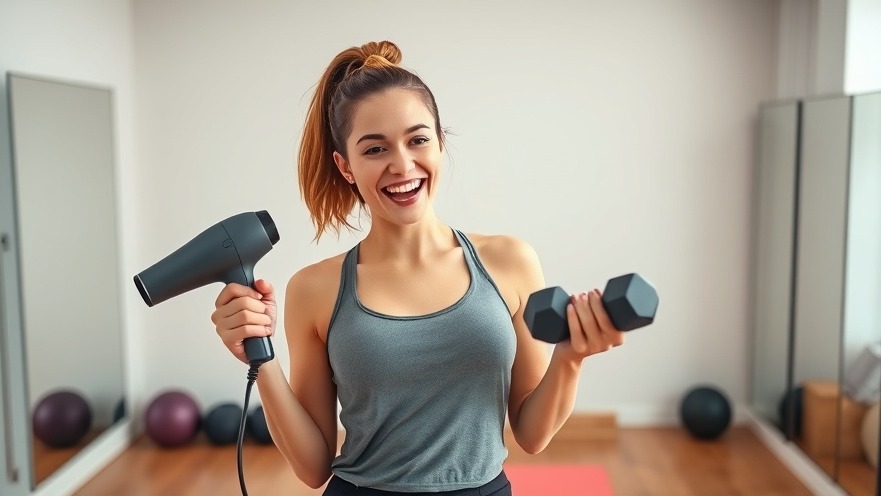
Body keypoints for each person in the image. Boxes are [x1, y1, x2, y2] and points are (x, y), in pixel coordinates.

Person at [211, 40, 625, 496]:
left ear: (441, 143)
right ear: (345, 167)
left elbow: (532, 433)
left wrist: (570, 357)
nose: (402, 164)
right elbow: (313, 468)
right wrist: (261, 357)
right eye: (375, 149)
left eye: (418, 139)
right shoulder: (314, 288)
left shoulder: (510, 262)